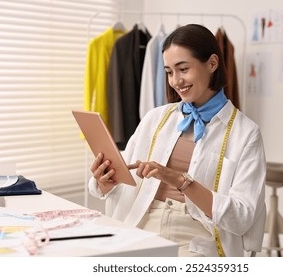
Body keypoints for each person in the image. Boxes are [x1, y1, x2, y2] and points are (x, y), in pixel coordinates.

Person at [88, 24, 266, 257]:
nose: (176, 81)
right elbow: (123, 183)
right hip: (142, 222)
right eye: (169, 72)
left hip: (196, 234)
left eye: (183, 69)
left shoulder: (246, 134)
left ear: (212, 64)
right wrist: (104, 181)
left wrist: (181, 181)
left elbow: (242, 217)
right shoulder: (155, 118)